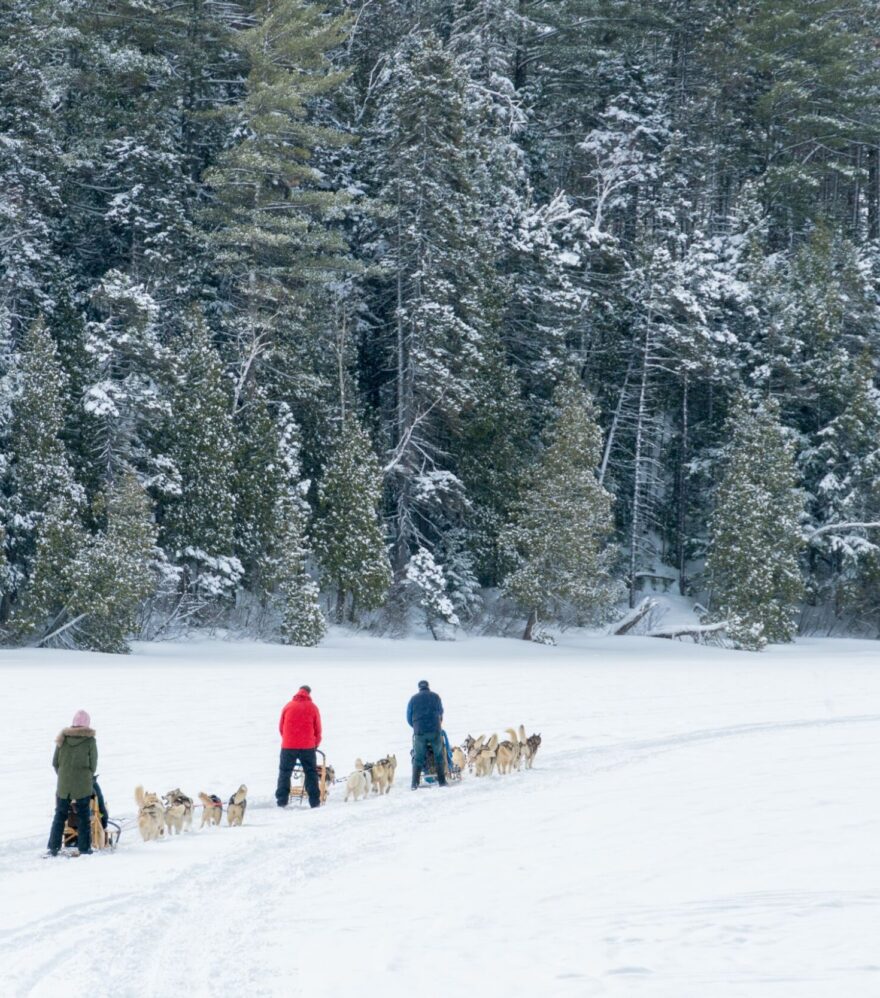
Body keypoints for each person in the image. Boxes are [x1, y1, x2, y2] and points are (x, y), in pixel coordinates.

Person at [46, 709, 97, 856]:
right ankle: (85, 849)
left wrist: (63, 776)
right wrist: (87, 777)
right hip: (82, 785)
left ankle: (53, 848)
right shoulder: (90, 741)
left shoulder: (62, 738)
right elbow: (93, 765)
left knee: (60, 815)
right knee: (83, 816)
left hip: (64, 785)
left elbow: (55, 762)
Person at [275, 685, 322, 808]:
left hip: (288, 746)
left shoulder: (288, 706)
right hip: (307, 747)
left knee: (284, 772)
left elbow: (281, 727)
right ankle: (314, 802)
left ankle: (282, 801)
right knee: (311, 772)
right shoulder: (313, 707)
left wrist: (288, 740)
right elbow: (318, 730)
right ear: (309, 693)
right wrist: (315, 744)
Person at [407, 679, 447, 789]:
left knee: (418, 757)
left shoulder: (413, 699)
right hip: (434, 730)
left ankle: (414, 784)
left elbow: (408, 717)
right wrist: (438, 723)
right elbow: (440, 712)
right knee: (439, 756)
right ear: (428, 686)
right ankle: (442, 782)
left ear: (419, 688)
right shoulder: (435, 697)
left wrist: (416, 726)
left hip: (420, 732)